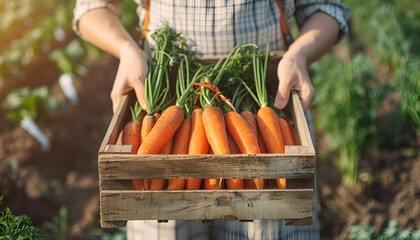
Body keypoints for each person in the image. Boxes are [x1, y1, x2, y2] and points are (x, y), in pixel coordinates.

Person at [73, 0, 350, 239]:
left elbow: (326, 7)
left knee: (268, 221)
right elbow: (90, 8)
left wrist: (299, 53)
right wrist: (126, 49)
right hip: (164, 93)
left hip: (270, 90)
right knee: (163, 219)